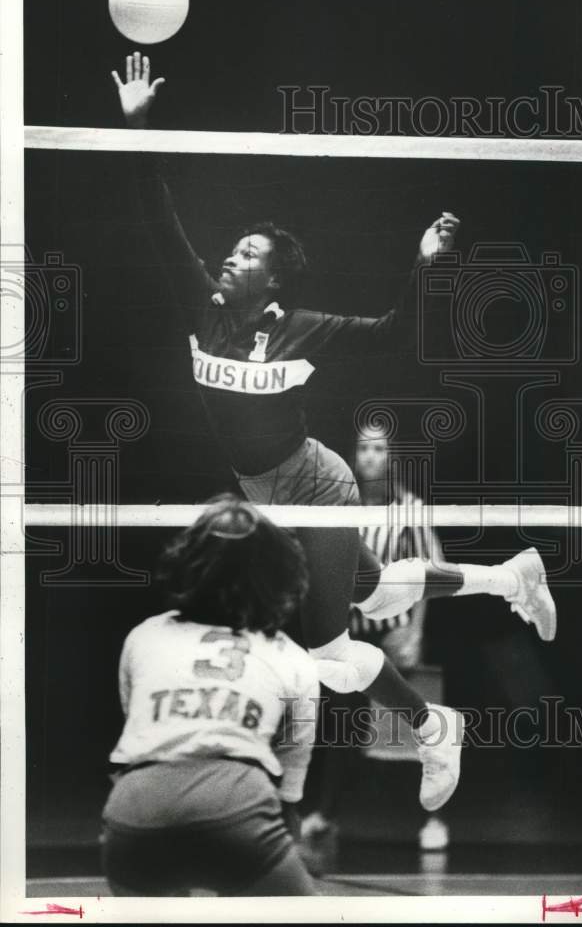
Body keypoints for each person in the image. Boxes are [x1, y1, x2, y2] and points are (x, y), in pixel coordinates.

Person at [111, 53, 557, 815]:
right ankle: (510, 578)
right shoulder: (203, 308)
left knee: (327, 652)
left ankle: (432, 728)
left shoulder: (304, 328)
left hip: (316, 485)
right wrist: (136, 123)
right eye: (233, 249)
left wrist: (425, 264)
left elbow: (394, 334)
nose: (231, 256)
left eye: (249, 253)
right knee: (375, 591)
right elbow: (158, 213)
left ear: (275, 278)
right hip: (267, 491)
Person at [101, 495, 319, 896]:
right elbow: (288, 798)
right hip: (237, 804)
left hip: (133, 811)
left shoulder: (144, 636)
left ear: (185, 564)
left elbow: (143, 735)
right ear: (279, 575)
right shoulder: (294, 659)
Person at [302, 425, 450, 852]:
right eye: (363, 449)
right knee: (342, 727)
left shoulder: (410, 509)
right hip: (351, 633)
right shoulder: (340, 506)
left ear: (392, 457)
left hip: (395, 631)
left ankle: (435, 818)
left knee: (417, 725)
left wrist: (416, 631)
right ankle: (327, 815)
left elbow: (434, 569)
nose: (369, 457)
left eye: (379, 449)